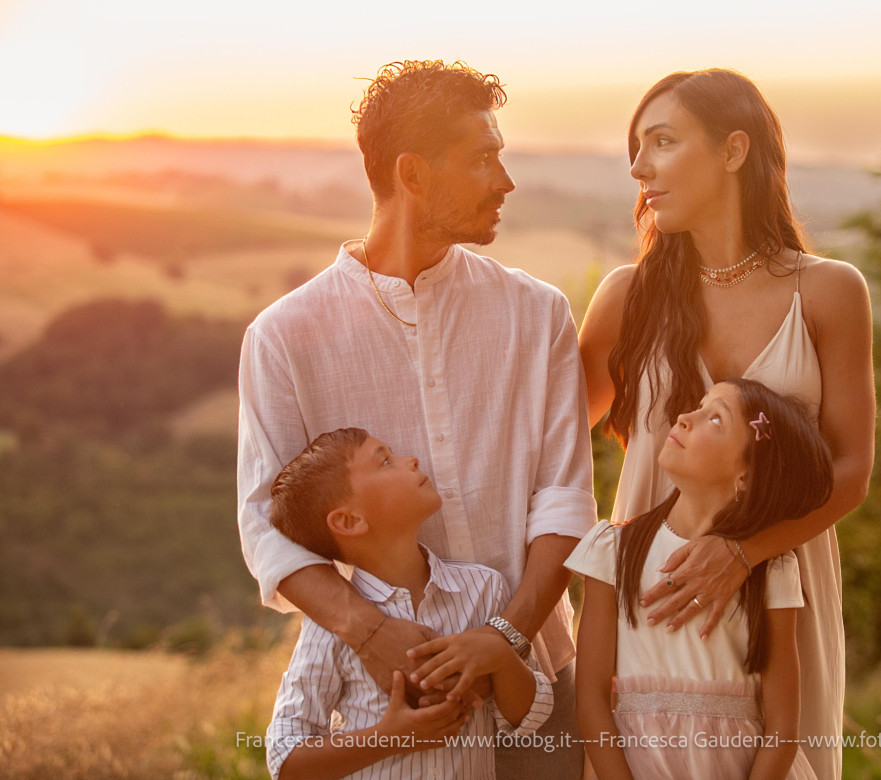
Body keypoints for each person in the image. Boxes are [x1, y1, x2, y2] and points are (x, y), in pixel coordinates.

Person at [237, 60, 595, 779]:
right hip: (387, 702)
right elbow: (266, 527)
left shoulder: (538, 314)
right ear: (412, 173)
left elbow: (565, 500)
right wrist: (369, 633)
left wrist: (506, 636)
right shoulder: (282, 336)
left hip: (538, 684)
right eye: (483, 158)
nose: (506, 181)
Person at [577, 68, 875, 779]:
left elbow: (852, 470)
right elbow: (546, 441)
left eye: (662, 141)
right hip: (651, 599)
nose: (638, 166)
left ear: (734, 150)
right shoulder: (628, 296)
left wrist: (746, 553)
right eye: (636, 146)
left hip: (782, 597)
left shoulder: (830, 291)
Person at [569, 379, 833, 779]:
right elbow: (590, 697)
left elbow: (783, 723)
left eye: (714, 418)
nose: (684, 417)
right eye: (698, 405)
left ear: (746, 474)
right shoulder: (613, 550)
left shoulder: (771, 570)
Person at [265, 428, 554, 779]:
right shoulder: (329, 625)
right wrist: (389, 739)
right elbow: (285, 758)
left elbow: (531, 717)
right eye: (385, 461)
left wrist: (500, 655)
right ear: (349, 521)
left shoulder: (485, 588)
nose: (411, 459)